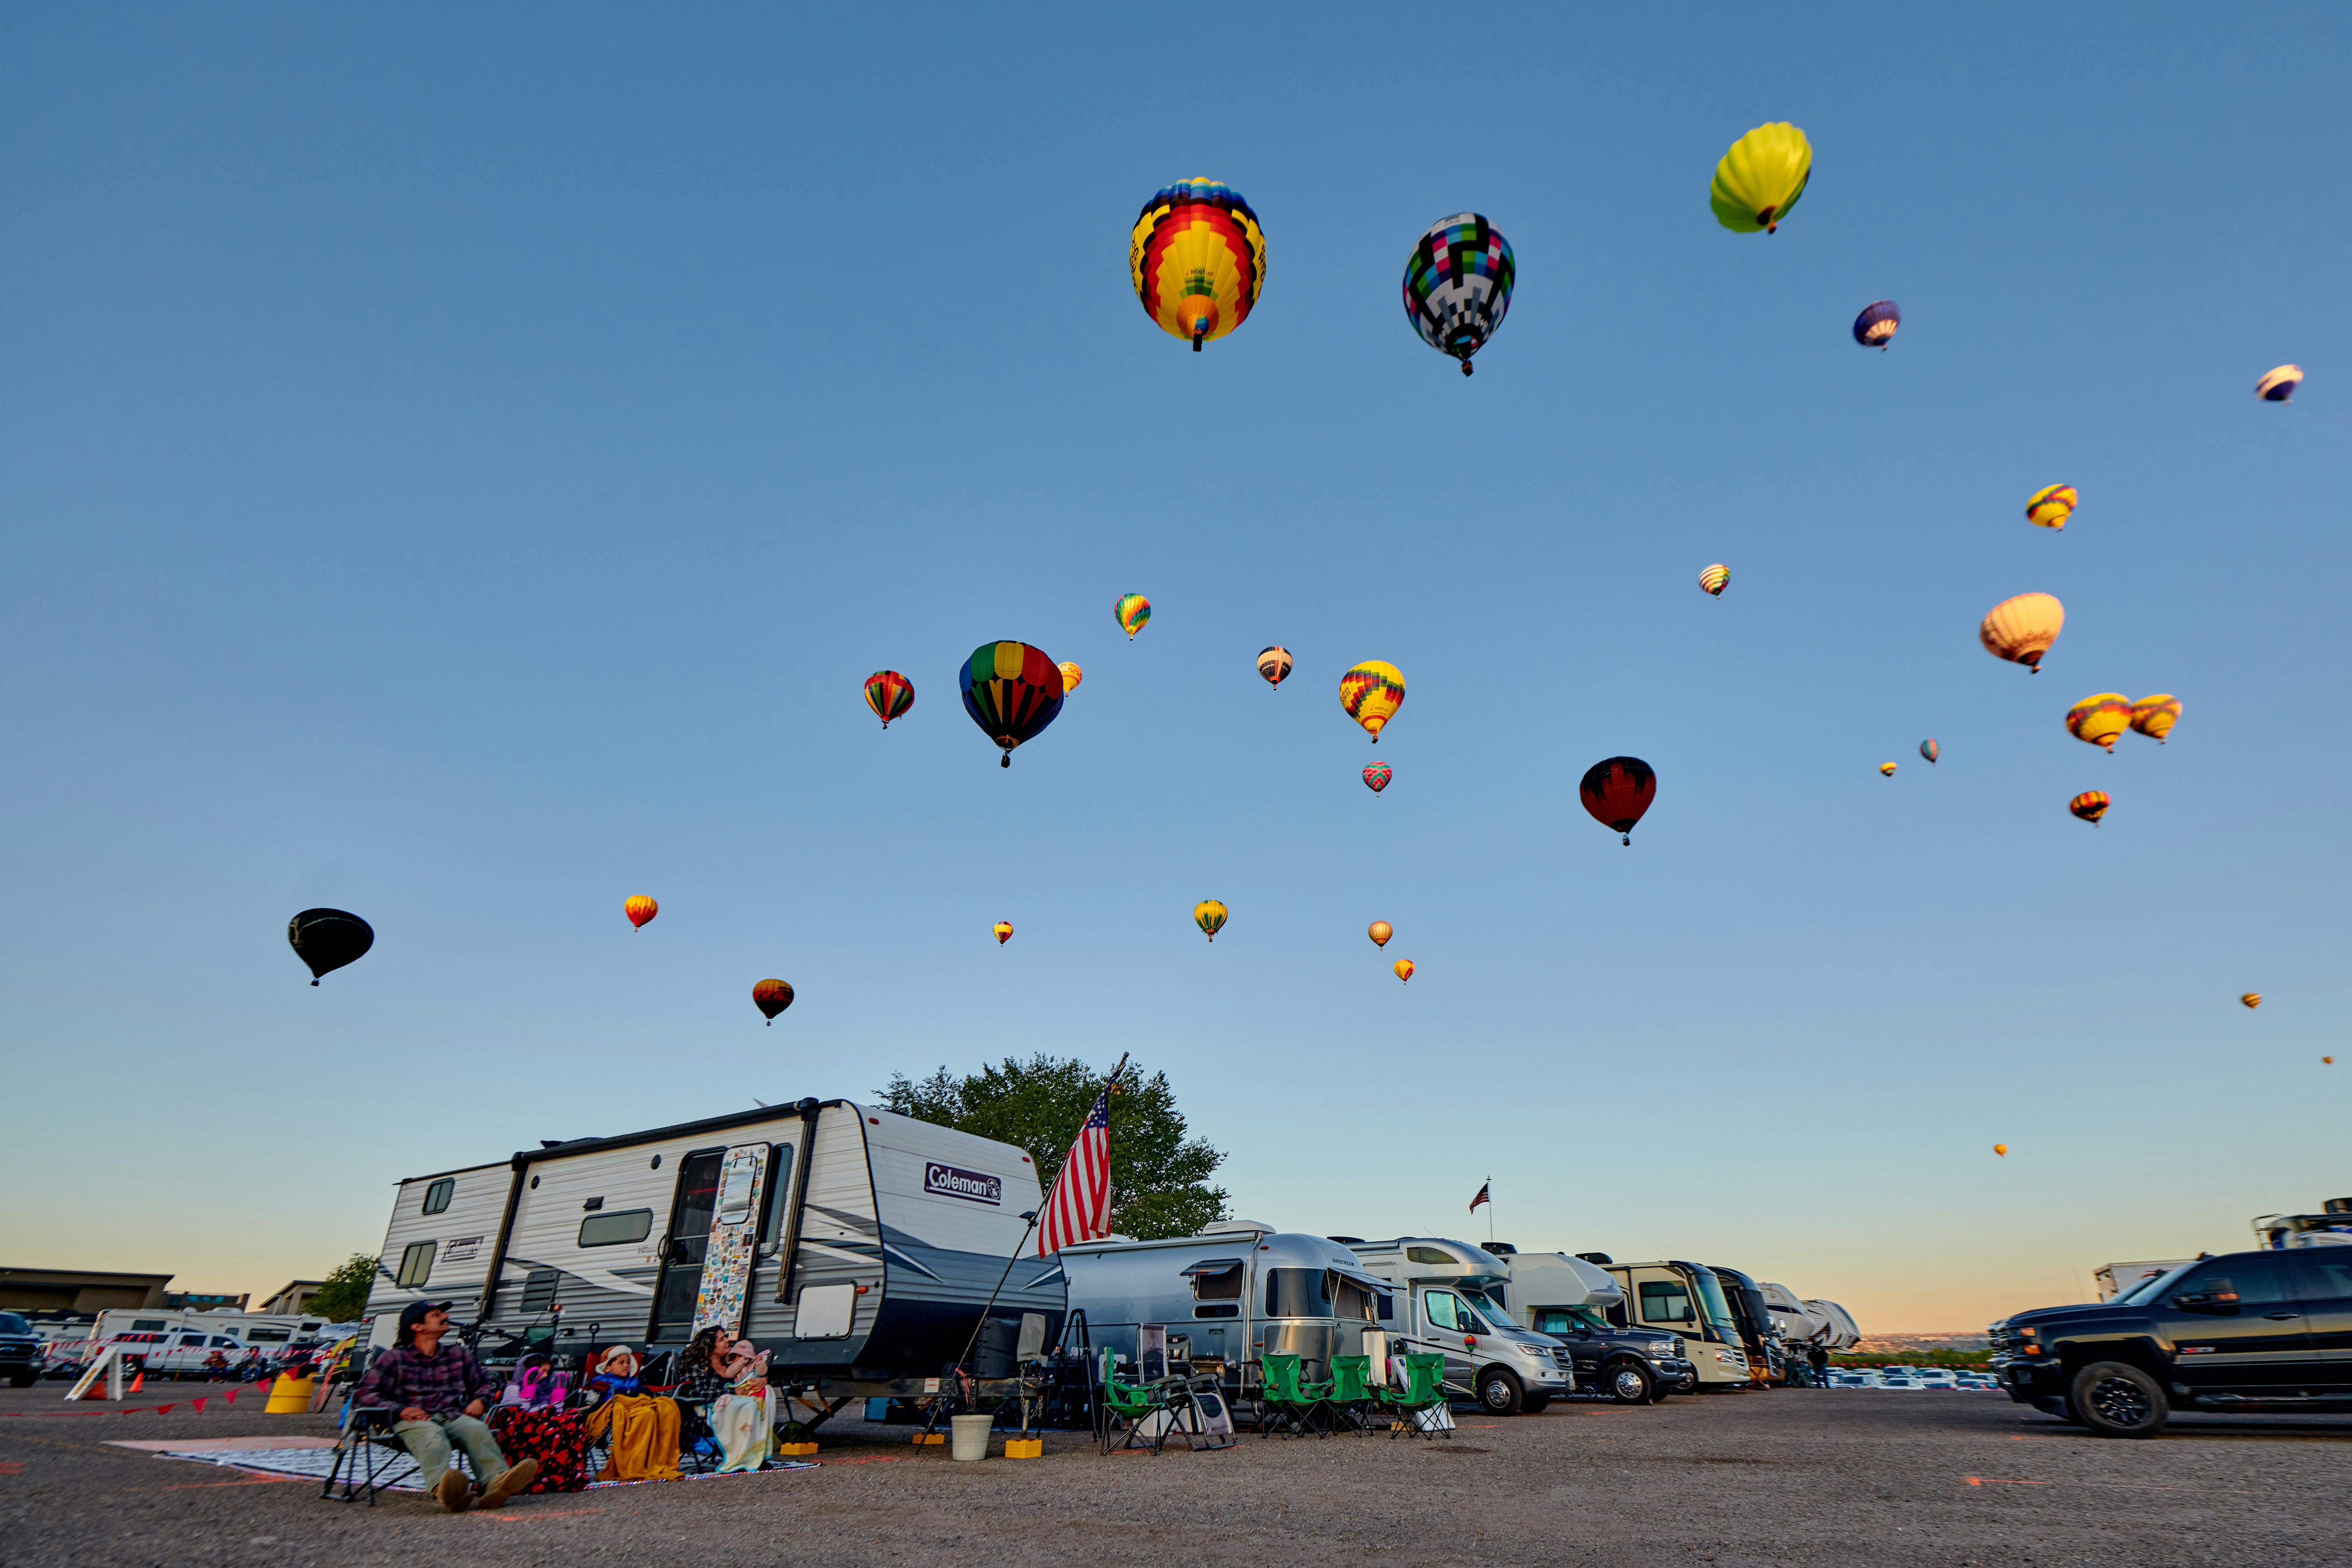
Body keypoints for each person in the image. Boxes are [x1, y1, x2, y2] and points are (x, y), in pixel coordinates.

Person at [354, 1302, 538, 1512]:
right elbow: (363, 1394)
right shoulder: (394, 1358)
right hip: (411, 1420)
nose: (445, 1316)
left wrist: (480, 1400)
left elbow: (486, 1384)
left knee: (477, 1430)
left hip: (451, 1415)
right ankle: (444, 1489)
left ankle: (495, 1485)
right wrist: (400, 1409)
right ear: (417, 1327)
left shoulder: (458, 1355)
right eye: (437, 1315)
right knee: (432, 1436)